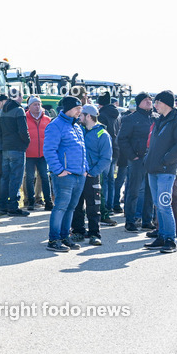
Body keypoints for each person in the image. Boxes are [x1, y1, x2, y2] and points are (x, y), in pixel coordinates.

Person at [144, 91, 177, 253]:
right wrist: (147, 159)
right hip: (153, 168)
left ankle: (170, 240)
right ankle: (162, 236)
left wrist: (166, 160)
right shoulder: (159, 121)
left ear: (165, 103)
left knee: (164, 204)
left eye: (157, 102)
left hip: (166, 169)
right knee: (158, 205)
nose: (154, 105)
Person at [43, 96, 88, 252]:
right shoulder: (55, 125)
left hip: (78, 174)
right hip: (65, 175)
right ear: (68, 109)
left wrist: (85, 169)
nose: (80, 111)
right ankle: (53, 240)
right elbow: (49, 150)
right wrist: (58, 170)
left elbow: (82, 149)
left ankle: (64, 237)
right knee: (61, 207)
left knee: (71, 208)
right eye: (77, 108)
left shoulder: (76, 126)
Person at [70, 105, 113, 245]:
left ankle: (95, 234)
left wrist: (92, 172)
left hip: (91, 175)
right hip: (77, 174)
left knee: (93, 206)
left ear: (89, 116)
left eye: (81, 115)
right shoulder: (78, 129)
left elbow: (106, 158)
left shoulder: (102, 134)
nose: (79, 117)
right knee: (76, 205)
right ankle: (78, 231)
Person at [118, 92, 155, 232]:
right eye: (145, 100)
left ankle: (147, 220)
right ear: (138, 102)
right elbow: (121, 139)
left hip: (152, 160)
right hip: (137, 160)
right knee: (133, 191)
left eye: (150, 100)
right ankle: (130, 221)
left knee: (150, 191)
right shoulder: (130, 119)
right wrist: (132, 156)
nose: (149, 102)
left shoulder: (156, 118)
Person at [0, 89, 30, 216]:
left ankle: (3, 205)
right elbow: (23, 131)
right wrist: (26, 143)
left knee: (5, 178)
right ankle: (13, 206)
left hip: (5, 147)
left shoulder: (2, 110)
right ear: (19, 97)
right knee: (16, 178)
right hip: (17, 148)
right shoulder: (19, 110)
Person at [24, 95, 53, 210]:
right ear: (29, 106)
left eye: (39, 104)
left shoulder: (47, 120)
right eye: (34, 104)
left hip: (43, 154)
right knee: (30, 177)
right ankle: (30, 201)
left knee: (45, 177)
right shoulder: (24, 118)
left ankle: (48, 201)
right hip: (29, 154)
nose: (37, 107)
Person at [96, 91, 121, 223]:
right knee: (111, 179)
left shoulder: (102, 115)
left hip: (105, 150)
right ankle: (110, 206)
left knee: (104, 180)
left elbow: (100, 133)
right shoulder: (117, 114)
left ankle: (105, 207)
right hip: (116, 149)